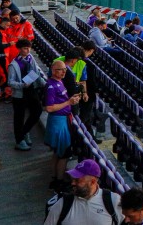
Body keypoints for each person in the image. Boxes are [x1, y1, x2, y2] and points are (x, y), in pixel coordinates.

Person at [43, 158, 124, 225]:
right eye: (73, 179)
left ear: (92, 182)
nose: (72, 183)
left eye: (77, 180)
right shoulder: (61, 204)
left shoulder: (114, 201)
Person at [44, 59, 81, 189]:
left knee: (57, 152)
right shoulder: (51, 86)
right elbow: (49, 108)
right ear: (54, 71)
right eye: (61, 70)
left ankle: (55, 178)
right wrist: (68, 103)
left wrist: (72, 101)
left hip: (62, 120)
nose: (64, 72)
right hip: (59, 122)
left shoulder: (59, 82)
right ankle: (59, 181)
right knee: (63, 153)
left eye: (65, 69)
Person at [7, 39, 45, 151]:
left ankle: (24, 131)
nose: (28, 50)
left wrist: (43, 84)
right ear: (19, 49)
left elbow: (36, 73)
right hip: (20, 94)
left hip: (32, 91)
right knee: (19, 117)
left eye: (29, 48)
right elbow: (10, 82)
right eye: (25, 48)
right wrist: (22, 85)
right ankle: (19, 140)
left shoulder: (30, 58)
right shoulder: (13, 65)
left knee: (37, 111)